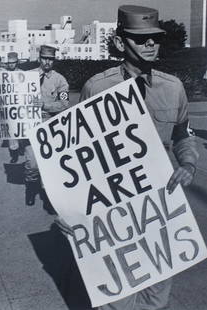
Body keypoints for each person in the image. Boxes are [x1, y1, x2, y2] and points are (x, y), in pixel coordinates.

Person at [57, 5, 199, 310]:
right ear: (121, 42)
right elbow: (76, 155)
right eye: (141, 38)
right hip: (113, 215)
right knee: (118, 302)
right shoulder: (97, 88)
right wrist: (67, 207)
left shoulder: (173, 89)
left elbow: (183, 135)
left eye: (155, 38)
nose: (151, 44)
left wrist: (188, 163)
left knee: (156, 301)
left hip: (159, 211)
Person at [24, 45, 70, 206]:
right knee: (32, 163)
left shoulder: (60, 80)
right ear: (39, 58)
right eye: (44, 58)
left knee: (50, 165)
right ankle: (30, 188)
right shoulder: (27, 76)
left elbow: (64, 104)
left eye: (50, 59)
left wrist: (45, 105)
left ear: (54, 60)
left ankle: (48, 197)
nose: (47, 62)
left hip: (50, 125)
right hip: (29, 124)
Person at [5, 52, 22, 163]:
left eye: (13, 63)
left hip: (20, 105)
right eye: (9, 63)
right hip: (9, 106)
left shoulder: (23, 74)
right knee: (11, 131)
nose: (11, 65)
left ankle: (23, 148)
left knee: (21, 128)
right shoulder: (4, 75)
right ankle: (14, 153)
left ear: (17, 62)